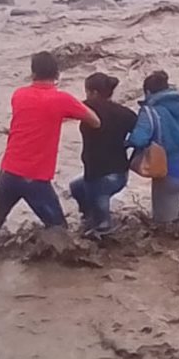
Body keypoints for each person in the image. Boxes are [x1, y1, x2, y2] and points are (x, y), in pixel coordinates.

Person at [0, 52, 101, 239]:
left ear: (33, 73)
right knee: (59, 230)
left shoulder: (18, 95)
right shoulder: (62, 99)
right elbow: (95, 121)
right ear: (57, 74)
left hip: (8, 172)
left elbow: (35, 115)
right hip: (35, 179)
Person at [128, 70, 179, 224]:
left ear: (148, 91)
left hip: (168, 170)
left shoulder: (150, 111)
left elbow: (139, 139)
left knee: (163, 225)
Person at [69, 73, 137, 236]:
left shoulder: (88, 107)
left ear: (93, 93)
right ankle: (89, 217)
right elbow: (141, 136)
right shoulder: (126, 114)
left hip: (98, 177)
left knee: (101, 223)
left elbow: (65, 108)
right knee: (76, 187)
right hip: (120, 174)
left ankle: (102, 227)